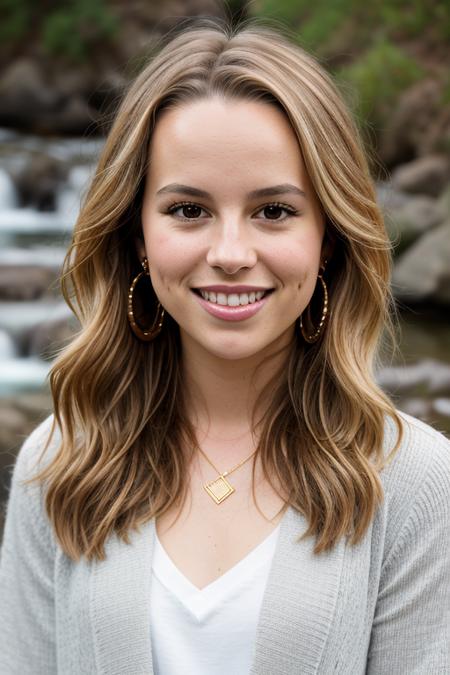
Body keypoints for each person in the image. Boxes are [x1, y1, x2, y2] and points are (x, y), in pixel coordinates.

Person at [1, 17, 449, 675]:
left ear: (328, 237)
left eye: (274, 211)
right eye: (188, 210)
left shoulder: (419, 481)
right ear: (135, 235)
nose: (231, 254)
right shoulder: (60, 466)